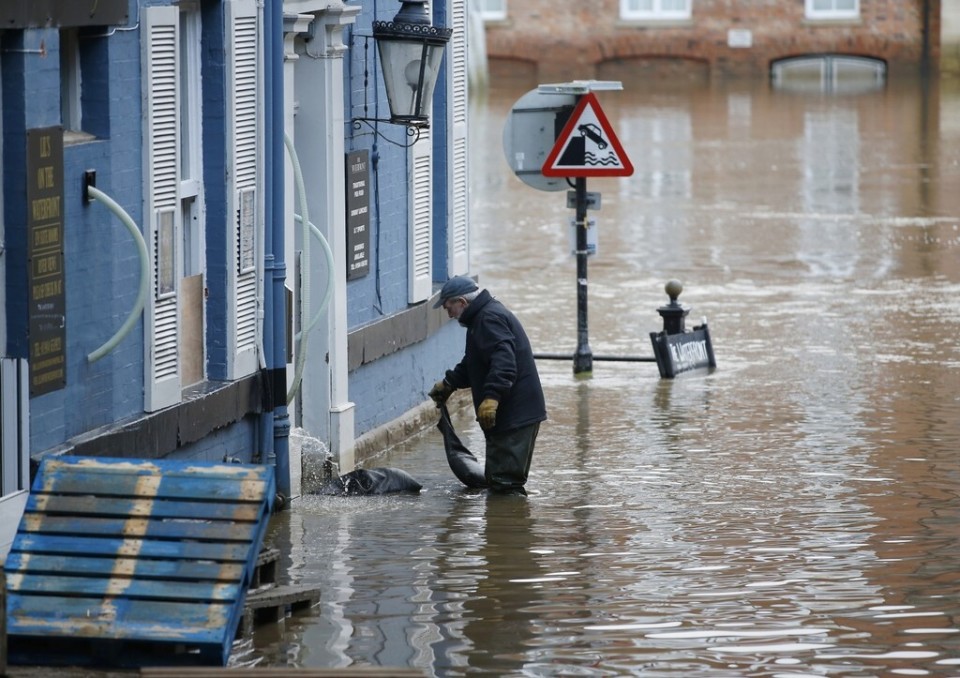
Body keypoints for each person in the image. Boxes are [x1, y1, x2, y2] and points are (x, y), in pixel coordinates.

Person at [429, 276, 546, 493]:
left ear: (462, 302)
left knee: (504, 484)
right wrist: (449, 383)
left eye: (449, 308)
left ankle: (507, 524)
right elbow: (474, 362)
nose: (449, 314)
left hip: (514, 416)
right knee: (500, 480)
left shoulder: (488, 319)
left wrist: (492, 398)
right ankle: (507, 522)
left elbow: (504, 362)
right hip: (515, 414)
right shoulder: (481, 318)